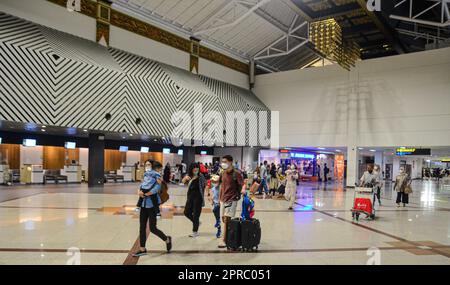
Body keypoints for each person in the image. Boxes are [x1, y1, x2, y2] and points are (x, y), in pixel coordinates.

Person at [133, 160, 172, 257]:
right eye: (146, 164)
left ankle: (167, 239)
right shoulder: (146, 175)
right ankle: (142, 249)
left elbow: (157, 187)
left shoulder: (156, 175)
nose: (147, 166)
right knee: (142, 227)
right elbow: (142, 185)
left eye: (149, 164)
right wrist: (139, 191)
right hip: (143, 205)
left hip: (152, 206)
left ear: (152, 166)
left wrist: (148, 193)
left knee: (153, 228)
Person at [218, 155, 244, 249]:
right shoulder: (222, 173)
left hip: (232, 199)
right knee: (223, 220)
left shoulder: (236, 174)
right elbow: (220, 184)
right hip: (222, 199)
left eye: (225, 161)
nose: (223, 163)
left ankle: (223, 240)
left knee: (226, 219)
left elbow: (242, 184)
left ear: (231, 162)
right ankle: (227, 237)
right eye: (222, 161)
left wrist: (243, 191)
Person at [182, 163, 206, 237]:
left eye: (197, 168)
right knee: (186, 212)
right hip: (190, 197)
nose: (196, 169)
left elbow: (204, 185)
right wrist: (185, 178)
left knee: (196, 214)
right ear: (191, 169)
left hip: (198, 197)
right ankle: (197, 222)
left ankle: (195, 232)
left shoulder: (201, 176)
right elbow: (183, 182)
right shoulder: (188, 175)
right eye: (194, 168)